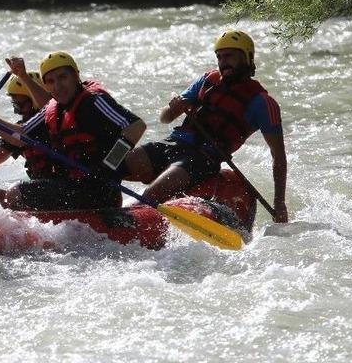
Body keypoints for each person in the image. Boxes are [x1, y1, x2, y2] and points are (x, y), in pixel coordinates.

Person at [123, 30, 289, 222]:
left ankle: (129, 219)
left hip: (202, 159)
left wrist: (279, 203)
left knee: (154, 193)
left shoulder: (263, 103)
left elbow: (278, 155)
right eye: (219, 56)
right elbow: (165, 118)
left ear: (247, 57)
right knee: (114, 164)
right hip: (173, 144)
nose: (223, 62)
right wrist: (174, 108)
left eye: (229, 56)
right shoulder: (207, 81)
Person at [0, 51, 146, 210]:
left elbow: (136, 126)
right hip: (71, 187)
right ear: (46, 86)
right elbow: (20, 136)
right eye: (50, 81)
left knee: (16, 193)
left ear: (76, 76)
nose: (57, 86)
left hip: (99, 190)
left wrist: (109, 165)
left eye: (62, 77)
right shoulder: (52, 108)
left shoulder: (94, 101)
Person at [0, 71, 55, 203]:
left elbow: (22, 134)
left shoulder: (51, 122)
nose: (18, 112)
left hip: (62, 186)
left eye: (20, 105)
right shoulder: (16, 132)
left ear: (34, 100)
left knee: (14, 193)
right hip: (42, 190)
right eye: (14, 105)